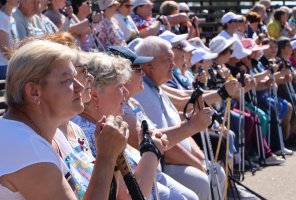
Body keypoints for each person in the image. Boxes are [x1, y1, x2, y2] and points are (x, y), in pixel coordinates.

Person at [0, 39, 127, 199]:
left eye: (75, 76)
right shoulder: (26, 147)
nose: (79, 86)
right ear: (34, 91)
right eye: (67, 80)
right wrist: (107, 157)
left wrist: (112, 158)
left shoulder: (46, 134)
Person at [133, 36, 227, 200]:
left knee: (215, 170)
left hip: (176, 161)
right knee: (201, 181)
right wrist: (197, 164)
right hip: (163, 165)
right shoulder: (142, 92)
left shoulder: (157, 87)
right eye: (168, 60)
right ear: (149, 65)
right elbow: (164, 145)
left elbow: (180, 127)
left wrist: (200, 158)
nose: (173, 64)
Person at [71, 52, 169, 199]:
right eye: (119, 86)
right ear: (94, 95)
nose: (126, 91)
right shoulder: (94, 135)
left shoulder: (99, 127)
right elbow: (128, 197)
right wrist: (152, 152)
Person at [0, 0, 19, 80]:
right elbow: (6, 49)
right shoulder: (2, 17)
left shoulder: (10, 18)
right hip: (4, 67)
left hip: (11, 64)